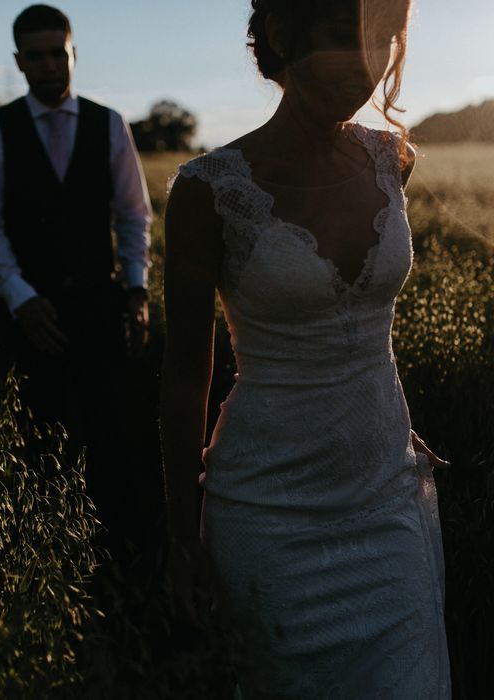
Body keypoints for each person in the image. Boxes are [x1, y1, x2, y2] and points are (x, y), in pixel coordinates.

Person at [160, 0, 451, 696]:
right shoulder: (209, 191)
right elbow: (183, 376)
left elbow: (357, 321)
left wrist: (380, 407)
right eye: (339, 36)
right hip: (267, 515)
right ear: (284, 35)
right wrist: (180, 540)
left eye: (383, 39)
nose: (365, 61)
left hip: (387, 497)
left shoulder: (391, 161)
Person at [0, 5, 155, 564]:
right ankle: (45, 561)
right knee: (38, 436)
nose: (50, 65)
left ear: (74, 53)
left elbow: (133, 214)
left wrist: (137, 289)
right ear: (19, 61)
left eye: (59, 53)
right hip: (29, 313)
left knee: (111, 436)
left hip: (100, 305)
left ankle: (120, 562)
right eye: (37, 56)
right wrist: (21, 299)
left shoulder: (108, 123)